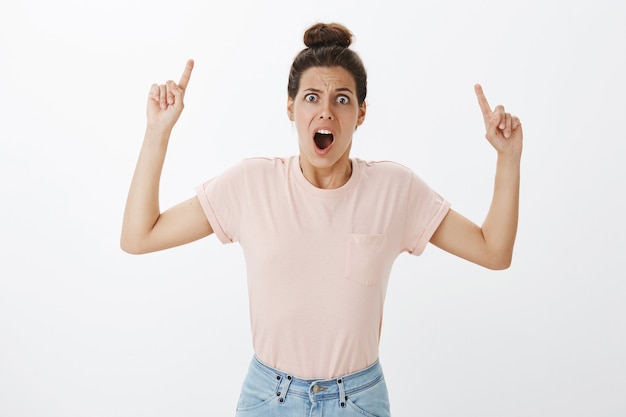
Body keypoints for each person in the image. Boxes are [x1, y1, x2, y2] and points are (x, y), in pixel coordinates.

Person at [121, 22, 522, 417]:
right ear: (291, 107)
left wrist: (508, 159)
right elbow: (139, 236)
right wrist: (157, 133)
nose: (326, 111)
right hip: (268, 400)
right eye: (312, 97)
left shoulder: (394, 189)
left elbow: (493, 251)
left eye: (342, 99)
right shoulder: (251, 183)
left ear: (361, 112)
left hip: (359, 400)